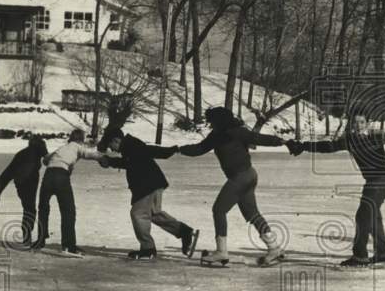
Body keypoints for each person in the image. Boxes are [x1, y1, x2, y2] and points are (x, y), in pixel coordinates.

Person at [291, 113, 385, 268]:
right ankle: (383, 255)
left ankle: (360, 256)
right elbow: (328, 147)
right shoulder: (350, 141)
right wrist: (303, 146)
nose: (358, 125)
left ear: (367, 123)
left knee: (363, 216)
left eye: (362, 122)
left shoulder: (376, 137)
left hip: (380, 182)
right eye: (355, 123)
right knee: (372, 218)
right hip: (371, 183)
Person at [178, 107, 286, 267]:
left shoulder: (228, 133)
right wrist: (179, 149)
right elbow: (200, 149)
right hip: (249, 174)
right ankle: (274, 248)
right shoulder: (226, 133)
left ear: (219, 121)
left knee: (219, 210)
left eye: (212, 121)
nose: (210, 124)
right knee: (252, 213)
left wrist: (282, 141)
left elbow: (258, 138)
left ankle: (221, 252)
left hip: (240, 178)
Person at [101, 128, 198, 261]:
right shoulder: (130, 146)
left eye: (110, 146)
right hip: (153, 183)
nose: (111, 150)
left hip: (148, 185)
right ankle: (184, 231)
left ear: (116, 140)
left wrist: (171, 150)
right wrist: (111, 162)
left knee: (138, 214)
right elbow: (138, 158)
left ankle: (148, 249)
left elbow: (142, 156)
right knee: (153, 214)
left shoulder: (132, 146)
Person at [31, 128, 108, 257]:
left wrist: (54, 160)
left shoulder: (61, 148)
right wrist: (103, 158)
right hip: (61, 176)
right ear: (81, 140)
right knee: (68, 211)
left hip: (48, 176)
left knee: (43, 208)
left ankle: (40, 240)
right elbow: (90, 154)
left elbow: (45, 160)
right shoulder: (77, 147)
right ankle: (68, 245)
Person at [0, 135, 48, 246]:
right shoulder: (38, 149)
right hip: (27, 182)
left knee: (28, 208)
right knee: (30, 209)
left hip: (20, 183)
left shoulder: (22, 153)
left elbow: (6, 174)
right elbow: (47, 158)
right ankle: (27, 236)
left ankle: (26, 235)